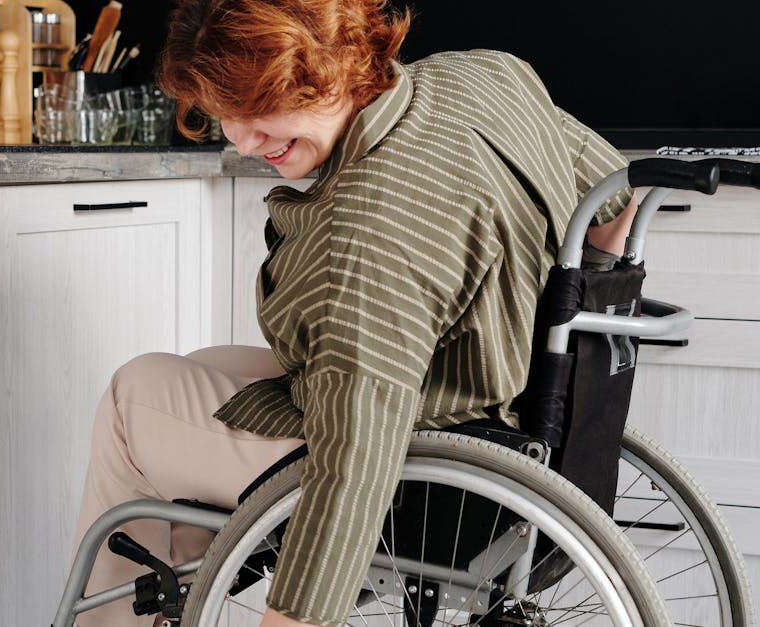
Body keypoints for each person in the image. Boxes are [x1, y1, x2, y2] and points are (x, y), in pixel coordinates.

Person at [69, 1, 639, 625]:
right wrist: (545, 341)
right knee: (202, 366)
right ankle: (187, 596)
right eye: (224, 112)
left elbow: (355, 462)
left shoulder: (368, 231)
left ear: (332, 67)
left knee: (135, 395)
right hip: (520, 426)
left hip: (427, 472)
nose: (240, 138)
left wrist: (291, 617)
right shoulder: (482, 76)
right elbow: (614, 196)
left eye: (261, 106)